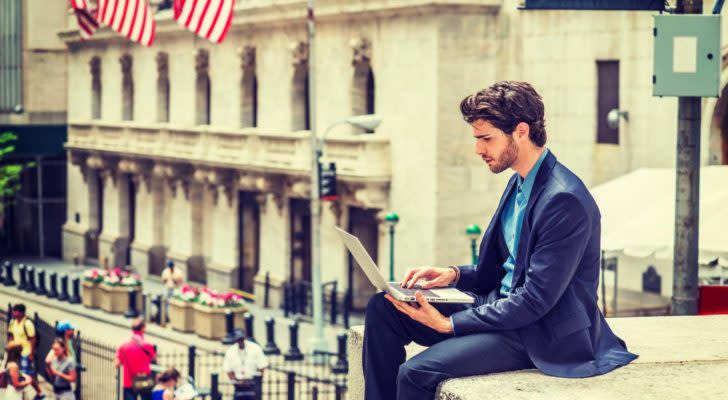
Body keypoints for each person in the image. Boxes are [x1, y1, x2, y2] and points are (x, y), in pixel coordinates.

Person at [363, 81, 639, 400]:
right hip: (498, 305)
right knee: (384, 307)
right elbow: (507, 268)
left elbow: (535, 300)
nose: (478, 150)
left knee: (416, 374)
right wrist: (453, 275)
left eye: (486, 138)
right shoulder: (519, 183)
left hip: (536, 332)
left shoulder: (564, 200)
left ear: (520, 131)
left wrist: (449, 325)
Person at [7, 303, 45, 399]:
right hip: (16, 352)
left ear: (20, 312)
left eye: (15, 311)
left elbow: (33, 339)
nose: (13, 313)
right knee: (18, 373)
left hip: (25, 352)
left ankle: (39, 393)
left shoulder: (27, 323)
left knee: (26, 374)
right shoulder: (13, 322)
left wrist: (31, 353)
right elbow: (10, 335)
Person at [116, 318, 156, 400]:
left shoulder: (124, 345)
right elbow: (153, 358)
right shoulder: (148, 345)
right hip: (144, 381)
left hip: (129, 382)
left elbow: (117, 363)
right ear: (143, 328)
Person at [222, 329, 268, 400]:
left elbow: (262, 367)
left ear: (245, 338)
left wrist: (256, 381)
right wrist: (237, 381)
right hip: (238, 385)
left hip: (253, 384)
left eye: (242, 339)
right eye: (238, 340)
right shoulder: (230, 352)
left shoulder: (255, 348)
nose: (241, 341)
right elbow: (228, 370)